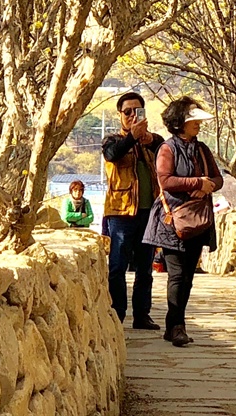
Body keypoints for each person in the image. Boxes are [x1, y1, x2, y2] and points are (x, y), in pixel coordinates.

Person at [142, 96, 224, 347]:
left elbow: (218, 179)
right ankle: (176, 325)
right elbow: (165, 180)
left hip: (196, 221)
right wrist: (198, 183)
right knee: (177, 275)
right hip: (172, 222)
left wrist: (207, 186)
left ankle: (176, 324)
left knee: (187, 276)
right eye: (192, 121)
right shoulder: (167, 149)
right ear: (180, 122)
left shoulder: (202, 149)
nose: (197, 125)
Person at [101, 91, 162, 329]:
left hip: (149, 212)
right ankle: (117, 314)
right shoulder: (113, 140)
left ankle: (142, 315)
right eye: (127, 112)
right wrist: (132, 138)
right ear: (120, 114)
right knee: (117, 266)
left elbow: (167, 151)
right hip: (121, 212)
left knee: (145, 267)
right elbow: (112, 155)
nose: (132, 116)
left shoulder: (151, 141)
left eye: (137, 111)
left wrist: (148, 140)